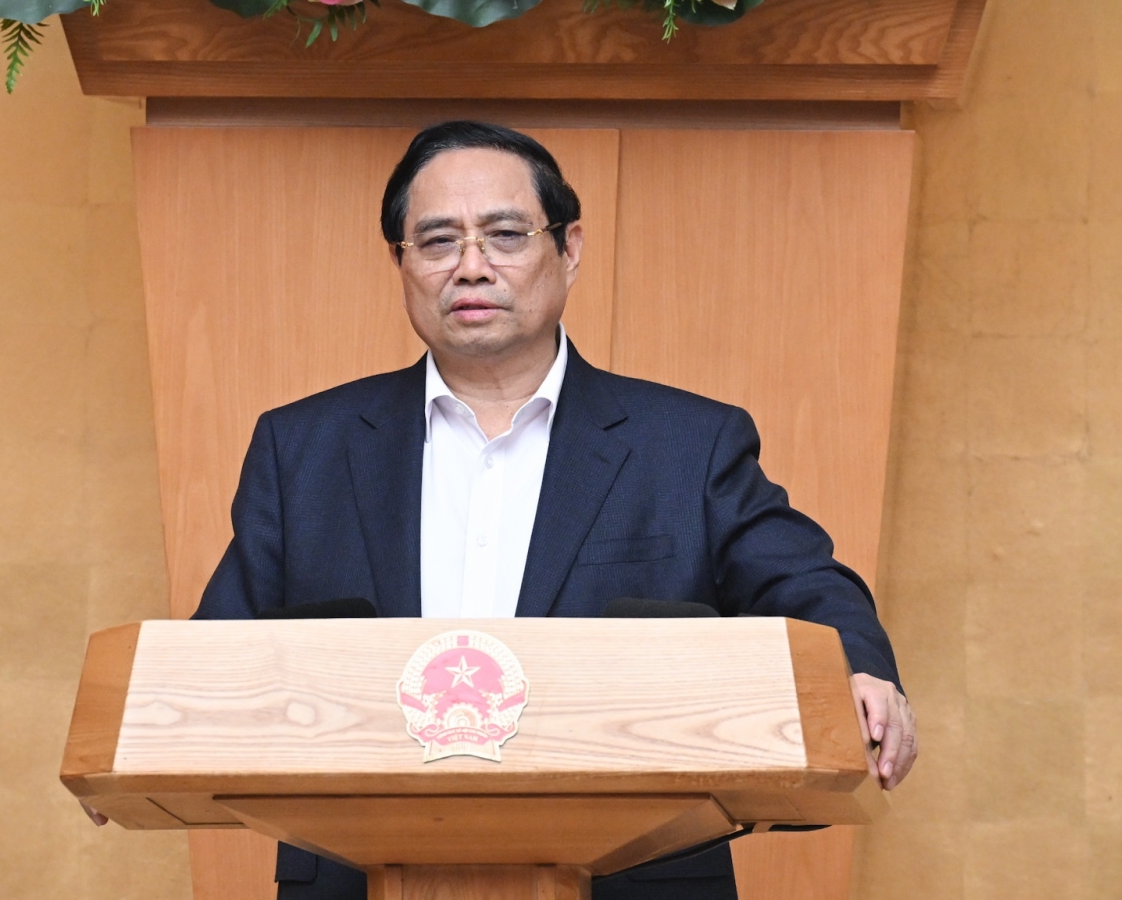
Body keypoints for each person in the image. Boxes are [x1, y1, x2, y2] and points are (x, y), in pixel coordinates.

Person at [191, 121, 917, 900]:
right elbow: (211, 662)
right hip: (357, 876)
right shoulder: (303, 449)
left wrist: (860, 669)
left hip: (635, 876)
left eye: (506, 235)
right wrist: (130, 742)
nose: (471, 266)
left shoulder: (687, 445)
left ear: (569, 249)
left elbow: (806, 585)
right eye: (437, 241)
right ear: (399, 262)